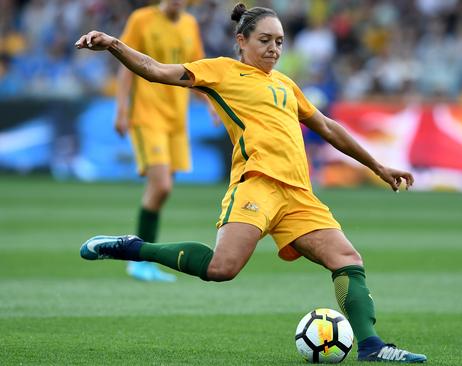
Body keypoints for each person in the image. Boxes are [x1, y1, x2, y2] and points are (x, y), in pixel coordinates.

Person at [76, 3, 427, 363]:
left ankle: (371, 346)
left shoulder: (286, 84)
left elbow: (327, 127)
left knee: (347, 258)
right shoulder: (222, 71)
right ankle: (134, 248)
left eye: (279, 41)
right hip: (257, 183)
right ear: (241, 40)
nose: (274, 48)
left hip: (298, 195)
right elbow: (155, 70)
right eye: (265, 40)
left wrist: (378, 166)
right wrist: (114, 45)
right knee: (221, 269)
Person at [114, 0, 207, 281]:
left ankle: (143, 259)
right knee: (161, 184)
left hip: (177, 120)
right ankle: (138, 259)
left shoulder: (190, 24)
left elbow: (198, 73)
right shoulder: (141, 19)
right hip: (147, 115)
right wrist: (121, 109)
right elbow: (126, 65)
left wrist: (212, 106)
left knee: (164, 190)